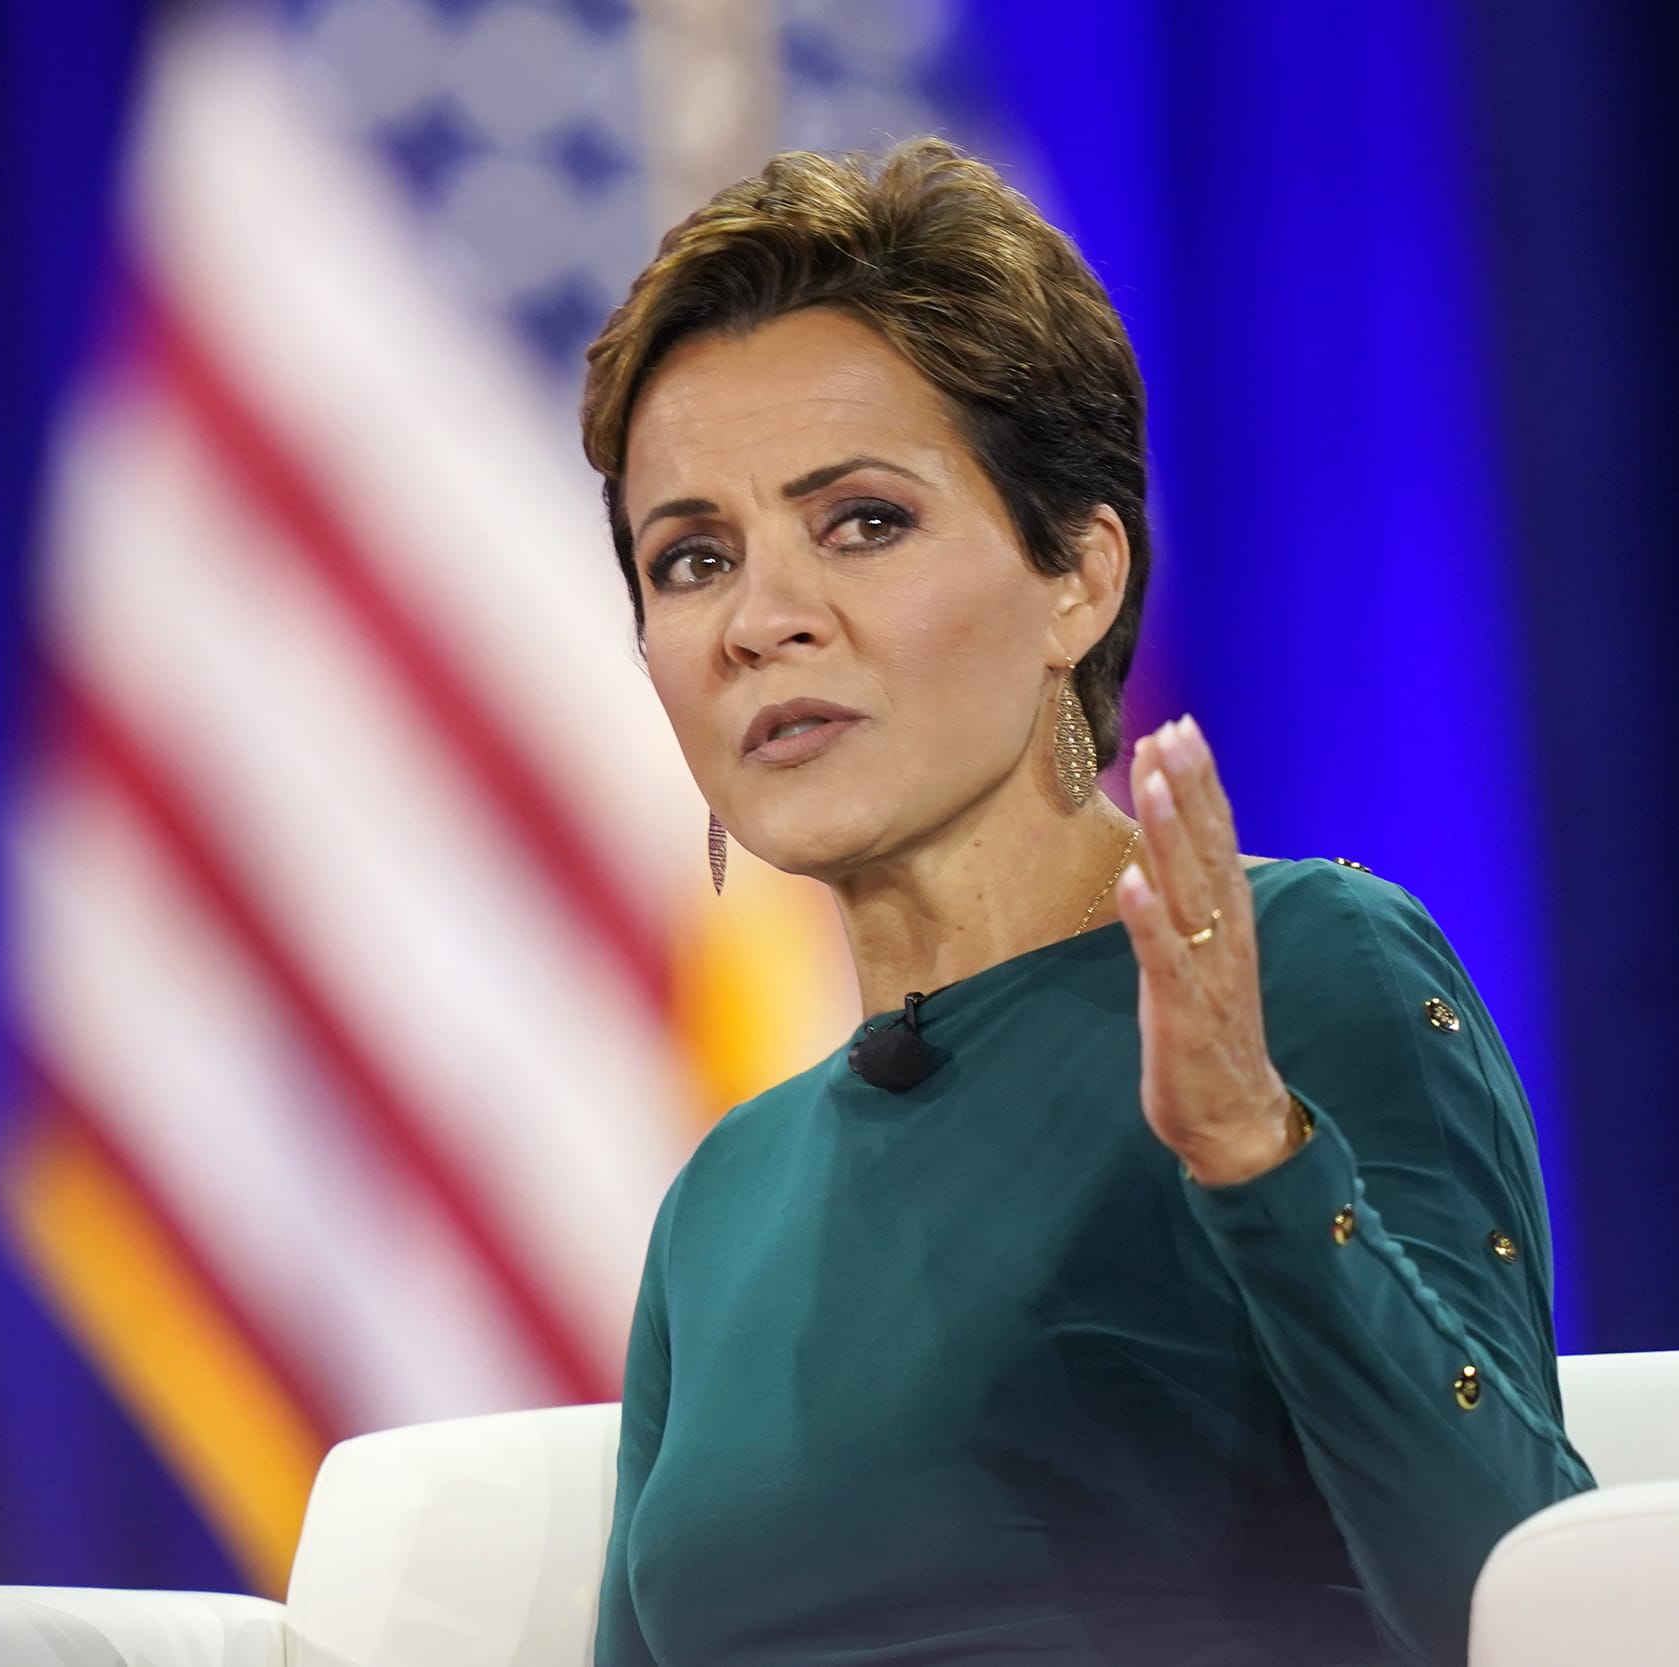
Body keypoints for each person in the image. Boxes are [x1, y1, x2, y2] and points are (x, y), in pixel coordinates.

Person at [576, 137, 1594, 1667]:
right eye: (693, 558)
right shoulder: (723, 1202)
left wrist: (1255, 1154)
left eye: (862, 521)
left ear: (1080, 578)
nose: (762, 619)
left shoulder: (1311, 973)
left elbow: (1529, 1603)